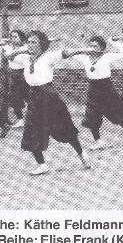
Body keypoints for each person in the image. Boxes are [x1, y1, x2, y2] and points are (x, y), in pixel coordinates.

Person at [13, 31, 91, 176]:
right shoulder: (25, 58)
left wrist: (85, 50)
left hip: (49, 97)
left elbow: (66, 52)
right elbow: (11, 54)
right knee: (31, 131)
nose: (30, 45)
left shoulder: (48, 57)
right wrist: (20, 51)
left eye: (34, 42)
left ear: (42, 44)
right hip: (33, 97)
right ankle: (42, 165)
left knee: (64, 128)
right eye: (28, 42)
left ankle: (81, 154)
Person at [61, 36, 123, 150]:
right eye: (90, 45)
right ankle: (98, 141)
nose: (92, 48)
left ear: (101, 48)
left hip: (107, 89)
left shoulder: (107, 56)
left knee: (116, 114)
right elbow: (67, 53)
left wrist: (116, 41)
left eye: (95, 46)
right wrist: (83, 50)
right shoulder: (85, 58)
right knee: (92, 115)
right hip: (93, 89)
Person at [0, 29, 30, 127]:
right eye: (12, 37)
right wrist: (6, 43)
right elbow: (8, 57)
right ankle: (20, 119)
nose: (13, 39)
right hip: (14, 74)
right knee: (15, 98)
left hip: (26, 74)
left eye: (15, 37)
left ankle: (37, 118)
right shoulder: (8, 47)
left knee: (30, 97)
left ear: (21, 38)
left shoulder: (27, 47)